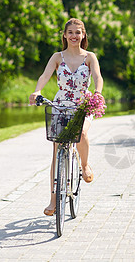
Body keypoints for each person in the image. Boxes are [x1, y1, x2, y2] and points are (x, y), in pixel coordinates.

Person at [29, 18, 104, 216]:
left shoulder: (89, 57)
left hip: (83, 105)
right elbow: (45, 76)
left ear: (83, 35)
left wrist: (97, 92)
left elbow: (97, 76)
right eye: (70, 32)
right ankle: (53, 200)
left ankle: (85, 165)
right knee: (56, 152)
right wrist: (37, 91)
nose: (74, 36)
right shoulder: (57, 57)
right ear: (64, 35)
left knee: (81, 133)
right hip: (60, 105)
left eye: (77, 32)